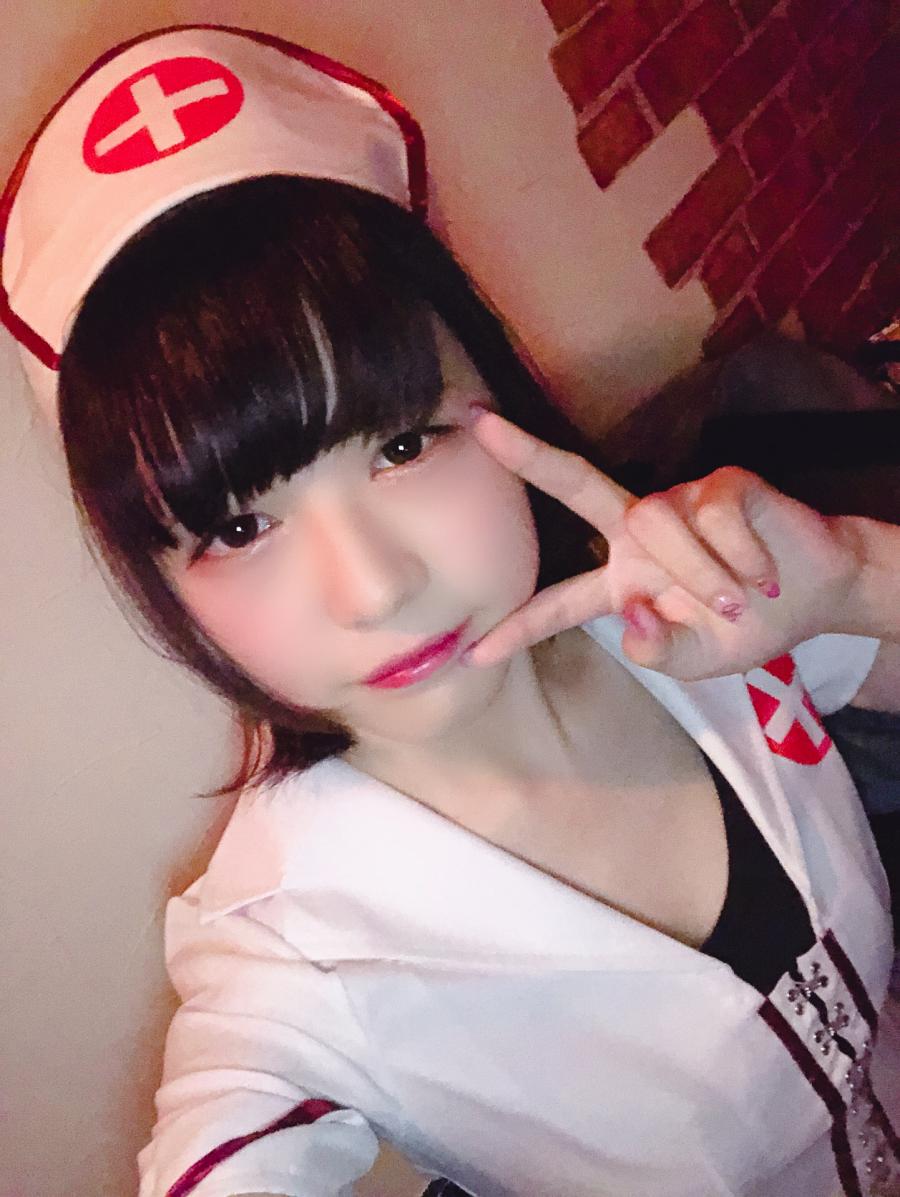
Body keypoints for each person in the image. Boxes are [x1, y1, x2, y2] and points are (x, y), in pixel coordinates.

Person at [2, 24, 899, 1197]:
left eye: (402, 446)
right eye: (239, 529)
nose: (375, 587)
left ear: (501, 390)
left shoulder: (682, 606)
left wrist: (859, 577)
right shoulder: (292, 969)